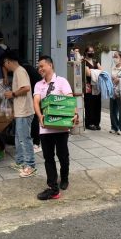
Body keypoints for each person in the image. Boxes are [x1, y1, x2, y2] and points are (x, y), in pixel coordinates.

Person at [33, 55, 79, 200]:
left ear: (50, 65)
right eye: (38, 67)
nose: (40, 69)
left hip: (61, 127)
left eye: (42, 66)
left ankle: (64, 178)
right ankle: (53, 186)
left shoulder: (61, 81)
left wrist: (75, 114)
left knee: (62, 155)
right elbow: (36, 101)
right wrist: (39, 116)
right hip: (45, 127)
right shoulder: (38, 85)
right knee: (48, 158)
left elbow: (70, 99)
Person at [0, 51, 37, 178]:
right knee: (18, 138)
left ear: (7, 61)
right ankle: (20, 162)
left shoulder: (20, 71)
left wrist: (12, 94)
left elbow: (26, 88)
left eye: (4, 65)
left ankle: (30, 165)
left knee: (24, 139)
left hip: (25, 111)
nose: (5, 68)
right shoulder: (18, 72)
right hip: (21, 111)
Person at [21, 59, 43, 153]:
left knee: (34, 119)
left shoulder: (23, 70)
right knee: (34, 119)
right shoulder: (29, 69)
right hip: (35, 96)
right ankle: (36, 142)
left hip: (34, 97)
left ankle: (36, 143)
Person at [83, 45, 103, 131]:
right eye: (89, 51)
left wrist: (92, 71)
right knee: (89, 105)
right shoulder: (83, 62)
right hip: (88, 86)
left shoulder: (96, 61)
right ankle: (89, 123)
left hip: (97, 86)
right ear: (86, 52)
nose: (91, 53)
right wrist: (96, 71)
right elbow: (88, 74)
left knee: (97, 104)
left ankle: (96, 123)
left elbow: (102, 71)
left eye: (92, 51)